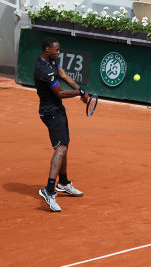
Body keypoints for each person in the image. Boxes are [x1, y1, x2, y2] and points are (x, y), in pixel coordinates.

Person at [34, 37, 89, 212]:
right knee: (61, 148)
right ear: (47, 49)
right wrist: (78, 92)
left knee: (64, 145)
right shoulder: (44, 70)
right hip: (51, 112)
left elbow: (64, 75)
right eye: (56, 50)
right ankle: (49, 190)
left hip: (57, 109)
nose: (59, 52)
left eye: (59, 50)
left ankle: (63, 182)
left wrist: (80, 90)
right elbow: (59, 93)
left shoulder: (51, 60)